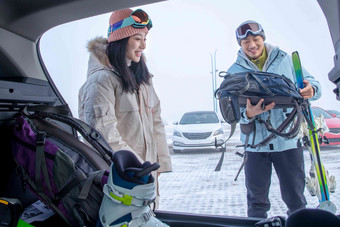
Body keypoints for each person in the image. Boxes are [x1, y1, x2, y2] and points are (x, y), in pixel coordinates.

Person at [78, 8, 172, 208]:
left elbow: (156, 124)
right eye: (138, 38)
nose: (143, 46)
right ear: (120, 39)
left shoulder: (143, 80)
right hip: (121, 179)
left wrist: (160, 165)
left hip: (145, 178)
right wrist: (139, 169)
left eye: (145, 38)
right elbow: (104, 135)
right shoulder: (101, 81)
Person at [226, 20, 321, 218]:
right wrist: (248, 114)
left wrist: (311, 89)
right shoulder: (234, 71)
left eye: (256, 39)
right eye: (246, 42)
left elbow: (312, 84)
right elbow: (229, 111)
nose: (252, 45)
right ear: (240, 45)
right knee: (256, 201)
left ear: (263, 38)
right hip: (255, 145)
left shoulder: (285, 60)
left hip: (286, 141)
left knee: (296, 199)